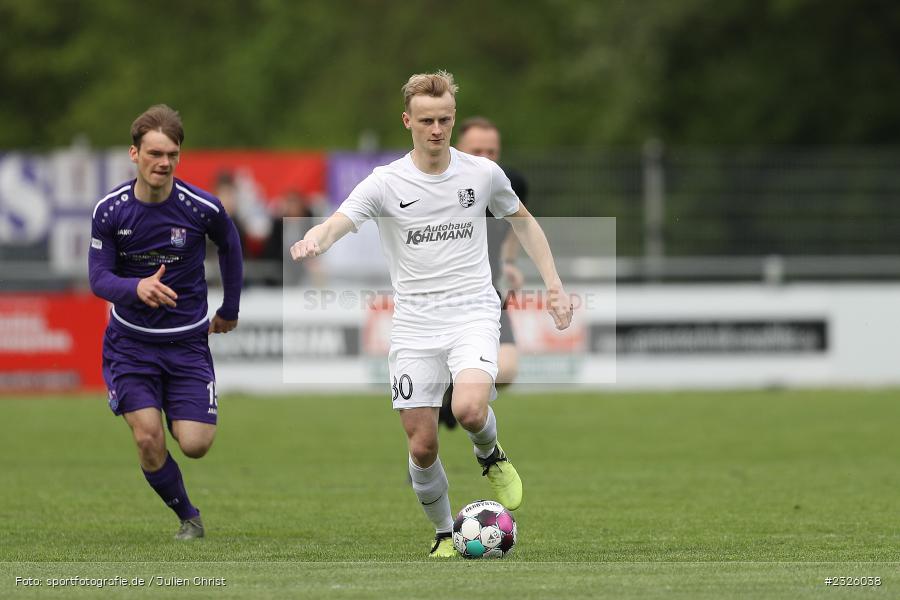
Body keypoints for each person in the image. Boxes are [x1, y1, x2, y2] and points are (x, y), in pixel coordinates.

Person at [290, 71, 572, 557]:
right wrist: (318, 237)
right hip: (415, 325)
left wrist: (554, 285)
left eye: (444, 119)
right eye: (426, 121)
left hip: (472, 311)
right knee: (421, 445)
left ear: (453, 118)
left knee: (467, 408)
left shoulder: (482, 174)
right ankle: (445, 533)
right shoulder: (386, 182)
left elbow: (524, 223)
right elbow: (343, 219)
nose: (436, 129)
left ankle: (491, 455)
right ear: (408, 121)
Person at [88, 105, 243, 540]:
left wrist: (229, 309)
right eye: (154, 153)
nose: (164, 163)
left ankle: (179, 415)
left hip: (187, 343)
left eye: (172, 154)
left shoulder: (201, 207)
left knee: (194, 444)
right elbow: (98, 278)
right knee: (148, 439)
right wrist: (135, 288)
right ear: (134, 154)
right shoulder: (110, 211)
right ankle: (188, 517)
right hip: (130, 345)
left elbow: (230, 246)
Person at [438, 117, 529, 429]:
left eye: (492, 151)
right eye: (477, 150)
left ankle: (453, 398)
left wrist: (510, 262)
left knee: (506, 370)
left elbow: (519, 224)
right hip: (438, 299)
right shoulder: (436, 187)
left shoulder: (509, 183)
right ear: (457, 148)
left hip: (486, 293)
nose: (486, 158)